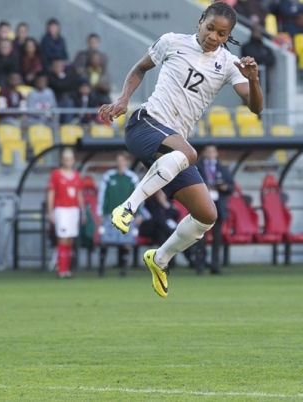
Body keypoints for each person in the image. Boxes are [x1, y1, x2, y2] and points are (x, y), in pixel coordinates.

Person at [97, 2, 262, 298]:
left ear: (228, 36)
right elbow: (140, 67)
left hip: (173, 148)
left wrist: (253, 79)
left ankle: (159, 258)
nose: (214, 36)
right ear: (200, 21)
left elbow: (255, 106)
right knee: (189, 153)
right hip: (145, 124)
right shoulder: (171, 41)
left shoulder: (227, 63)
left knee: (206, 214)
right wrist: (123, 100)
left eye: (222, 33)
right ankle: (128, 208)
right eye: (210, 28)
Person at [96, 151, 140, 278]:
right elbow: (102, 195)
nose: (120, 163)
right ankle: (101, 268)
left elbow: (138, 196)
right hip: (110, 214)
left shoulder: (132, 178)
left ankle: (123, 269)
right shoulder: (109, 177)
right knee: (105, 241)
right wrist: (101, 212)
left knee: (125, 242)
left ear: (127, 161)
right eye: (118, 160)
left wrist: (139, 213)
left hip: (126, 215)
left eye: (122, 160)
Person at [192, 145, 234, 275]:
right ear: (204, 153)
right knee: (200, 238)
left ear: (216, 153)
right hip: (202, 206)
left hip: (218, 206)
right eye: (208, 151)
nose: (210, 154)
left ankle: (215, 266)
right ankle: (200, 266)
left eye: (212, 152)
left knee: (217, 238)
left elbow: (231, 185)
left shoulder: (222, 168)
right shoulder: (197, 167)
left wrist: (225, 187)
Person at [46, 148, 84, 279]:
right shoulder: (56, 175)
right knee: (62, 238)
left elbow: (79, 195)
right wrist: (50, 211)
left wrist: (83, 212)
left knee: (70, 239)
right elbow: (51, 194)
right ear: (62, 160)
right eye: (65, 159)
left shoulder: (77, 176)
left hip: (73, 210)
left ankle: (67, 269)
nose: (68, 161)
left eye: (70, 159)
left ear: (73, 160)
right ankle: (61, 269)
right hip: (61, 209)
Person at [241, 24, 275, 92]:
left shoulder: (265, 47)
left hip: (263, 78)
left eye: (258, 31)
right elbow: (250, 57)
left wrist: (260, 59)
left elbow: (272, 60)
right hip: (249, 78)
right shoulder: (246, 46)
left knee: (263, 99)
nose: (257, 33)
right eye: (255, 31)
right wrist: (262, 58)